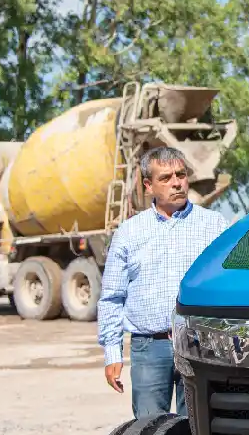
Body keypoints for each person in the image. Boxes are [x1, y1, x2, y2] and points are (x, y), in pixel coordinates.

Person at [97, 146, 230, 419]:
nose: (176, 183)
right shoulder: (129, 233)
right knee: (149, 433)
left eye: (180, 175)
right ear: (148, 185)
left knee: (200, 428)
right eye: (166, 177)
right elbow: (112, 297)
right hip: (148, 349)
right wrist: (112, 354)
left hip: (200, 344)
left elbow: (228, 287)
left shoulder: (214, 226)